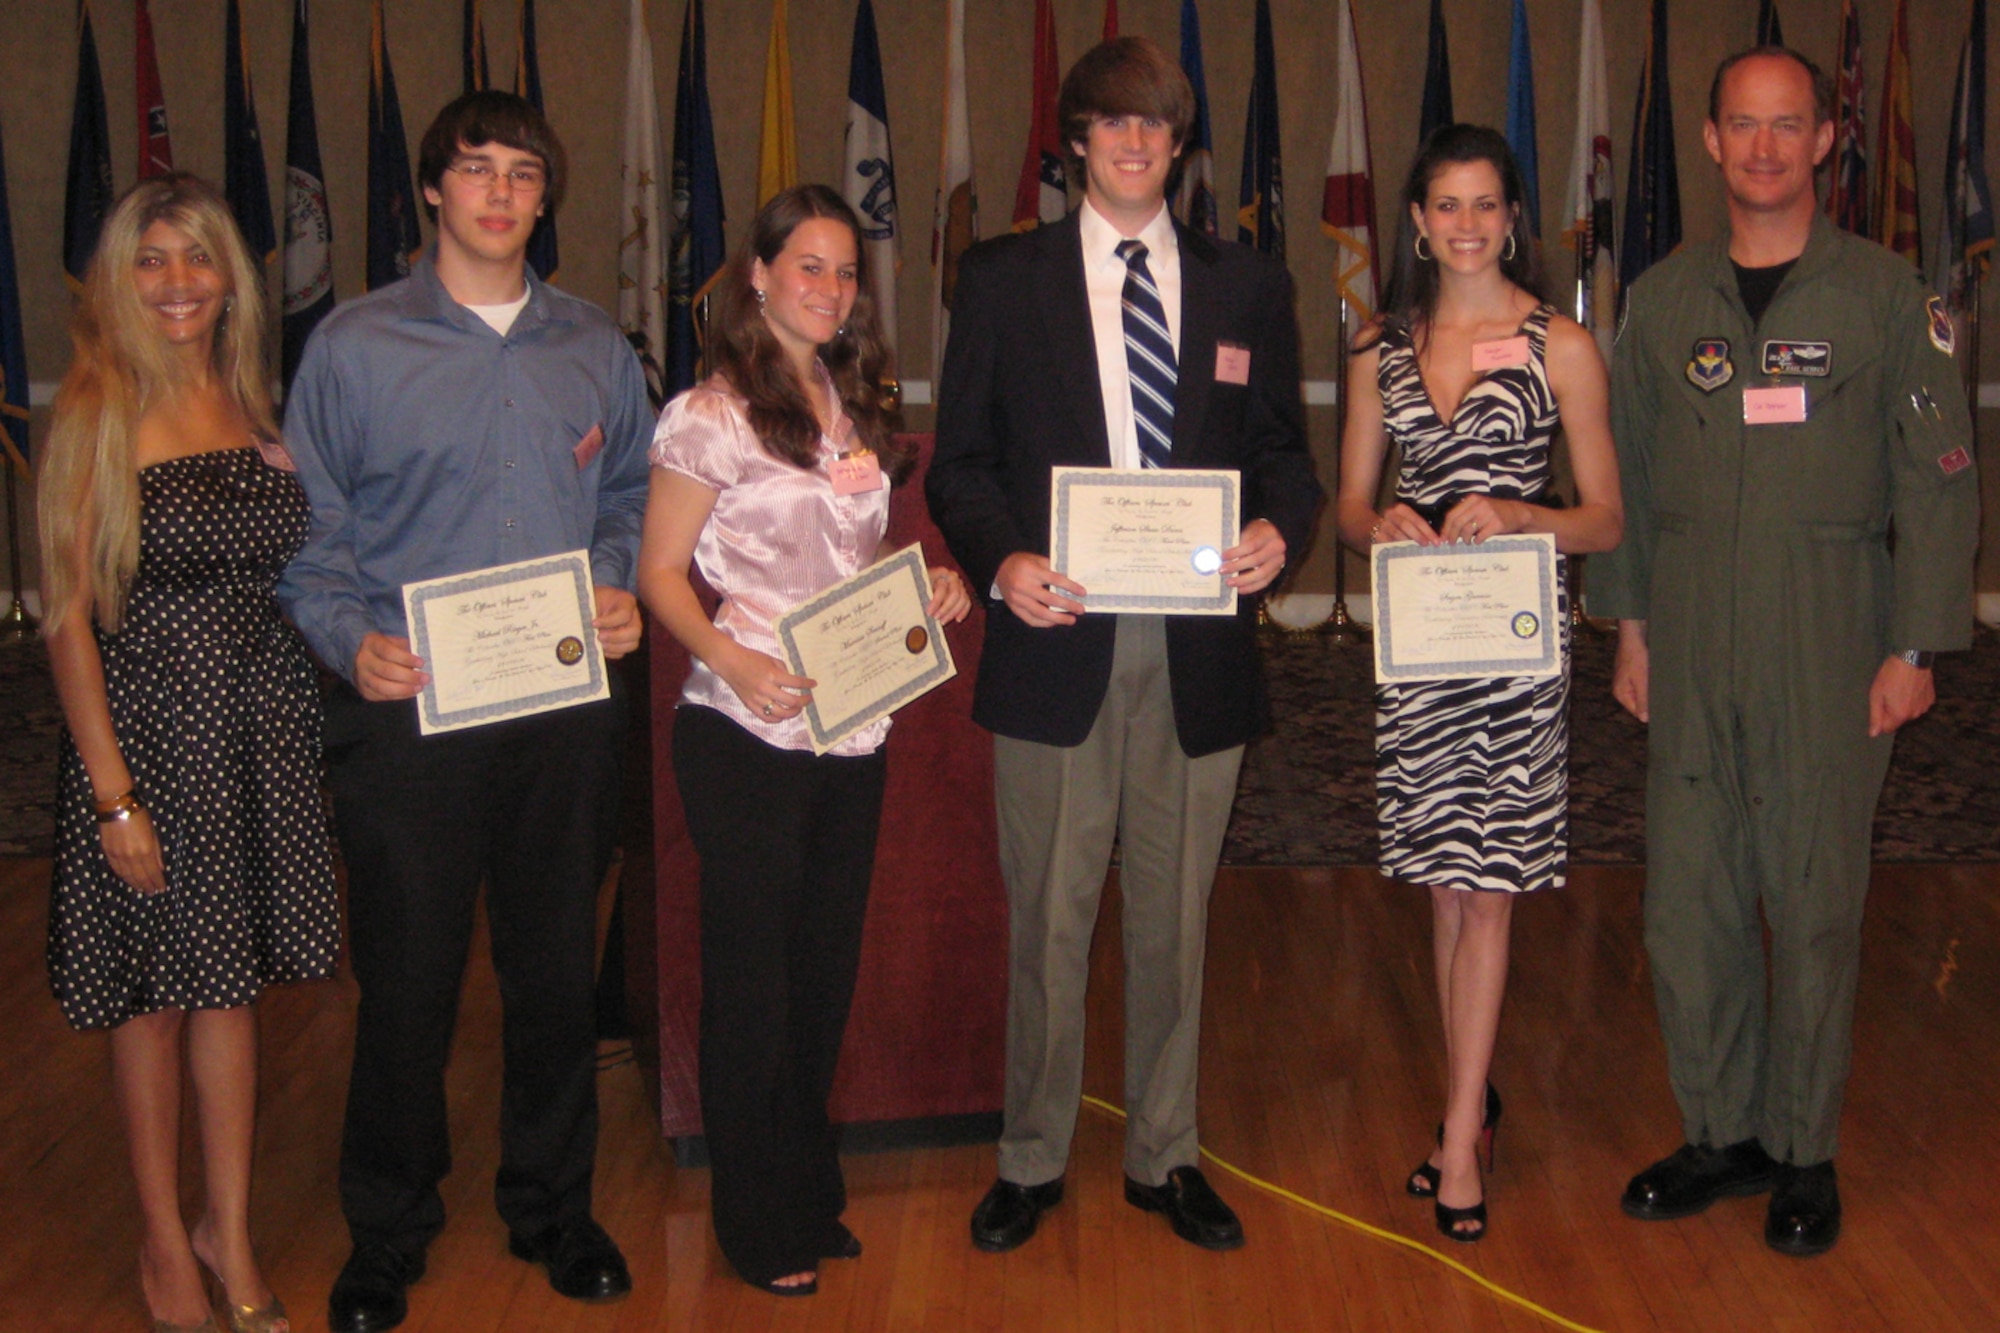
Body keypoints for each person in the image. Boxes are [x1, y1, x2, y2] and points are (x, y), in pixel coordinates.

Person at [927, 36, 1319, 1254]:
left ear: (1178, 144)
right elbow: (960, 463)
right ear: (1074, 142)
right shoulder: (999, 280)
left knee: (1173, 915)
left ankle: (1163, 1151)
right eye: (1111, 124)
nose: (1135, 143)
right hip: (1055, 637)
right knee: (1046, 913)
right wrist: (1001, 562)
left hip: (1195, 645)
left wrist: (1274, 531)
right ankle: (1031, 1155)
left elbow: (1285, 459)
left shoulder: (1246, 284)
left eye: (1156, 125)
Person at [1591, 47, 1979, 1257]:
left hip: (1831, 632)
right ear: (1708, 140)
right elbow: (1633, 481)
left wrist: (1912, 642)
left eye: (1787, 126)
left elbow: (1939, 482)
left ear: (1823, 142)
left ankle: (1803, 1147)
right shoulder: (1659, 299)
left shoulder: (1885, 297)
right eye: (1740, 126)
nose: (1762, 147)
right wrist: (1632, 628)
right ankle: (1723, 1131)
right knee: (1687, 904)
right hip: (1693, 630)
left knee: (1811, 900)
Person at [278, 92, 651, 1330]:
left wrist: (611, 586)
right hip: (408, 717)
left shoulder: (595, 348)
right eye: (476, 170)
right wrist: (352, 642)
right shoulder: (352, 348)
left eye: (524, 174)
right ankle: (387, 1229)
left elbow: (632, 503)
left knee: (551, 977)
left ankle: (551, 1207)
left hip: (559, 714)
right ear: (431, 189)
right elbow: (311, 544)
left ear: (548, 197)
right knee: (408, 982)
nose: (500, 192)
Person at [638, 184, 972, 1296]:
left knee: (821, 973)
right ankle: (753, 1215)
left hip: (850, 721)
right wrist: (731, 662)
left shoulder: (850, 400)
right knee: (753, 983)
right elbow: (657, 576)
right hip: (744, 730)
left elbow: (843, 564)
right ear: (757, 277)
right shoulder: (709, 414)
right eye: (807, 267)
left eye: (843, 271)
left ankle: (803, 1187)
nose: (829, 289)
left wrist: (920, 576)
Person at [38, 173, 338, 1333]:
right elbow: (66, 616)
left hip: (259, 732)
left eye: (196, 259)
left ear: (231, 277)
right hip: (152, 743)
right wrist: (114, 799)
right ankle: (167, 1245)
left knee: (232, 994)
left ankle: (231, 1227)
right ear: (121, 276)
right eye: (151, 260)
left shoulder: (252, 397)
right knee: (155, 1001)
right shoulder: (97, 405)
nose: (176, 284)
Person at [1335, 125, 1623, 1243]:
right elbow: (1349, 508)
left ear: (1512, 217)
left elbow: (1603, 515)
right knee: (1443, 888)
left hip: (1511, 647)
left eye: (1484, 205)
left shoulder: (1561, 344)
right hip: (1418, 647)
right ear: (1415, 220)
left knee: (1489, 883)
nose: (1463, 224)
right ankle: (1472, 1095)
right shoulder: (1378, 348)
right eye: (1443, 205)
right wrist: (1382, 523)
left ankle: (1458, 1138)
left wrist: (1521, 515)